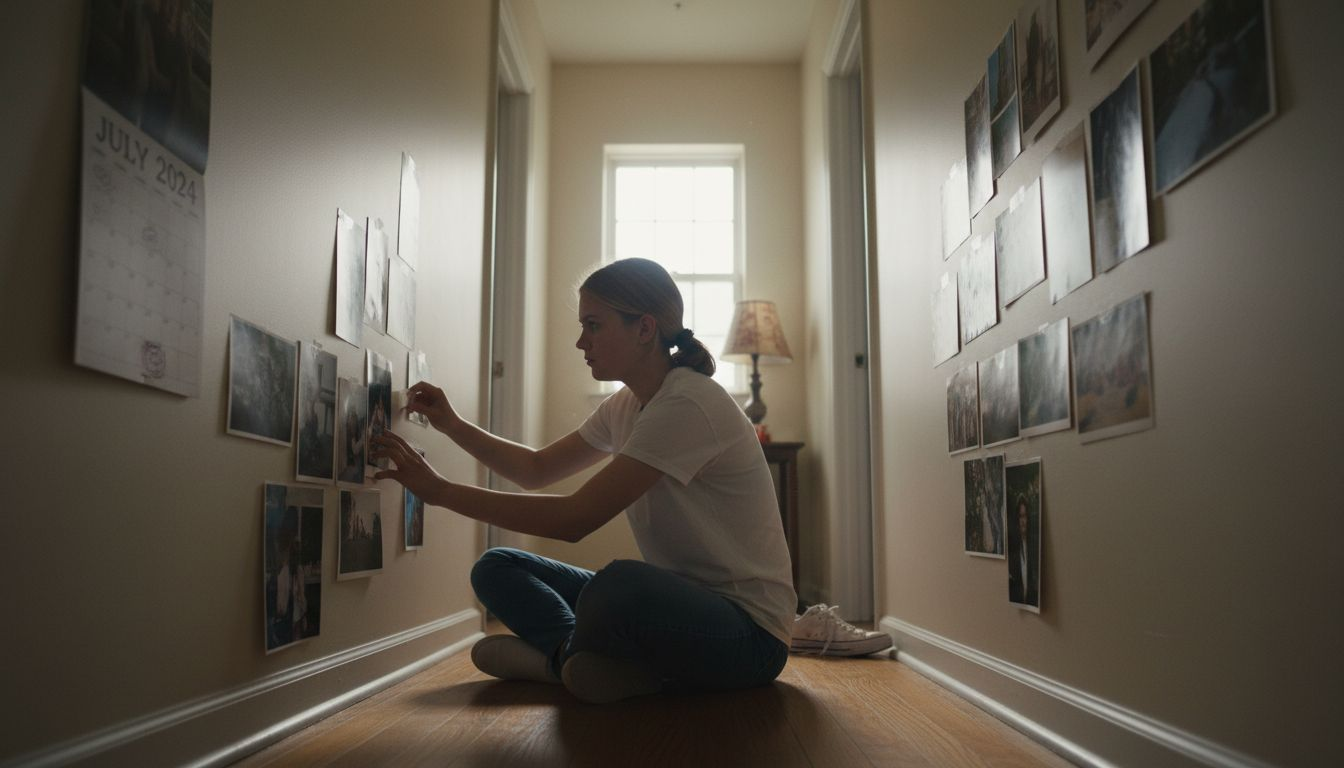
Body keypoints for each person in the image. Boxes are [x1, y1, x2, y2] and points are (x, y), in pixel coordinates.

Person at [370, 258, 796, 704]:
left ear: (645, 329)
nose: (580, 341)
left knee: (618, 586)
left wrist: (440, 492)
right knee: (497, 567)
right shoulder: (626, 405)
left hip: (750, 639)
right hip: (677, 611)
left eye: (593, 325)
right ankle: (577, 662)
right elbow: (535, 470)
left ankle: (558, 661)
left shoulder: (689, 403)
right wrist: (451, 424)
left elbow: (576, 519)